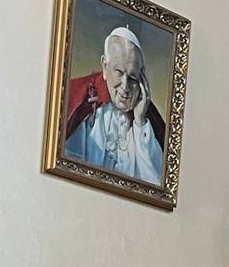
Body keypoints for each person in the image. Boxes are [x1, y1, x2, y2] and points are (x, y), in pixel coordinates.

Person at [61, 26, 165, 183]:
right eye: (119, 72)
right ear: (105, 65)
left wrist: (140, 122)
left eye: (132, 77)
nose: (125, 87)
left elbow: (155, 183)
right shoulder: (82, 100)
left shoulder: (147, 113)